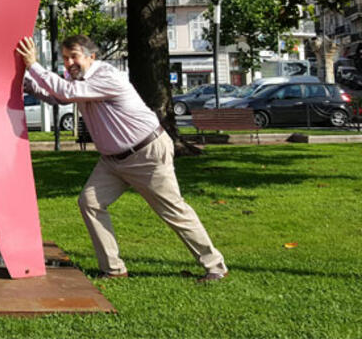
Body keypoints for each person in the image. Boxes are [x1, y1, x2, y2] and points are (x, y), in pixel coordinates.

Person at [16, 35, 228, 283]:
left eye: (74, 56)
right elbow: (58, 96)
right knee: (90, 203)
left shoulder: (106, 76)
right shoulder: (79, 80)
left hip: (146, 153)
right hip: (112, 160)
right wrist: (28, 84)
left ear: (91, 56)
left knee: (173, 210)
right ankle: (114, 269)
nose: (69, 62)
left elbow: (67, 91)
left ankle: (215, 266)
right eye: (65, 58)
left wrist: (33, 65)